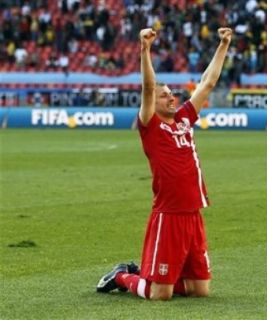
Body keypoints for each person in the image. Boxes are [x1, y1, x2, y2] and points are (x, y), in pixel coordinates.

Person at [96, 26, 233, 300]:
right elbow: (148, 87)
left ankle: (155, 275)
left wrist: (223, 46)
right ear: (153, 103)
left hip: (193, 212)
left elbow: (207, 83)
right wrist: (145, 50)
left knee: (200, 291)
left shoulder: (184, 117)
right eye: (165, 95)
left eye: (172, 94)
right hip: (168, 215)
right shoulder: (151, 126)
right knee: (161, 295)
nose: (172, 97)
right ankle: (123, 276)